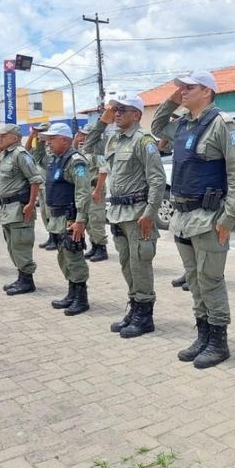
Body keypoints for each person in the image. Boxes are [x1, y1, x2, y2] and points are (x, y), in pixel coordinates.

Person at [151, 71, 235, 369]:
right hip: (183, 217)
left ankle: (218, 341)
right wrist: (172, 96)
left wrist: (228, 218)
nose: (182, 92)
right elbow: (157, 125)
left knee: (211, 280)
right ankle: (203, 334)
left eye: (189, 87)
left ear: (207, 92)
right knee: (194, 280)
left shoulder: (223, 124)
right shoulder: (182, 124)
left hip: (210, 218)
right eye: (181, 88)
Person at [89, 96, 166, 338]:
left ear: (137, 115)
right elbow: (88, 146)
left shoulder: (144, 141)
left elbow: (157, 180)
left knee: (140, 263)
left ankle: (145, 316)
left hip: (138, 213)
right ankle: (134, 308)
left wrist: (150, 214)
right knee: (126, 263)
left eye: (122, 109)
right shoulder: (114, 139)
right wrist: (103, 121)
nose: (117, 113)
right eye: (115, 110)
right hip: (119, 213)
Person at [39, 122, 91, 316]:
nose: (48, 143)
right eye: (47, 140)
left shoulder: (76, 161)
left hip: (70, 218)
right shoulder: (55, 159)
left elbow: (83, 192)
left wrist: (80, 220)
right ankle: (71, 293)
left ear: (65, 140)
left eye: (52, 139)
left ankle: (81, 298)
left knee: (74, 256)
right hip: (57, 218)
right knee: (64, 257)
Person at [0, 124, 43, 295]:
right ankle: (21, 277)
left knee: (21, 244)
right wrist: (0, 141)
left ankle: (27, 281)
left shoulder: (20, 155)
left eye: (3, 136)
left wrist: (31, 204)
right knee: (12, 244)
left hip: (20, 207)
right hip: (7, 207)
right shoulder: (6, 155)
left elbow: (35, 180)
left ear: (14, 138)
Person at [76, 123, 109, 262]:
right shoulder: (84, 150)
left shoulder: (98, 148)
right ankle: (94, 245)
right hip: (86, 189)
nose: (82, 136)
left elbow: (103, 170)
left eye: (85, 134)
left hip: (95, 188)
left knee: (96, 219)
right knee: (88, 220)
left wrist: (97, 190)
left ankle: (102, 248)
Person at [26, 123, 55, 250]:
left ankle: (56, 237)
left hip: (51, 187)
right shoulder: (40, 149)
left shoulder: (53, 149)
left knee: (52, 213)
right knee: (44, 213)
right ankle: (51, 236)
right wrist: (33, 135)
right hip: (42, 187)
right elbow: (27, 150)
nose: (40, 134)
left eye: (42, 131)